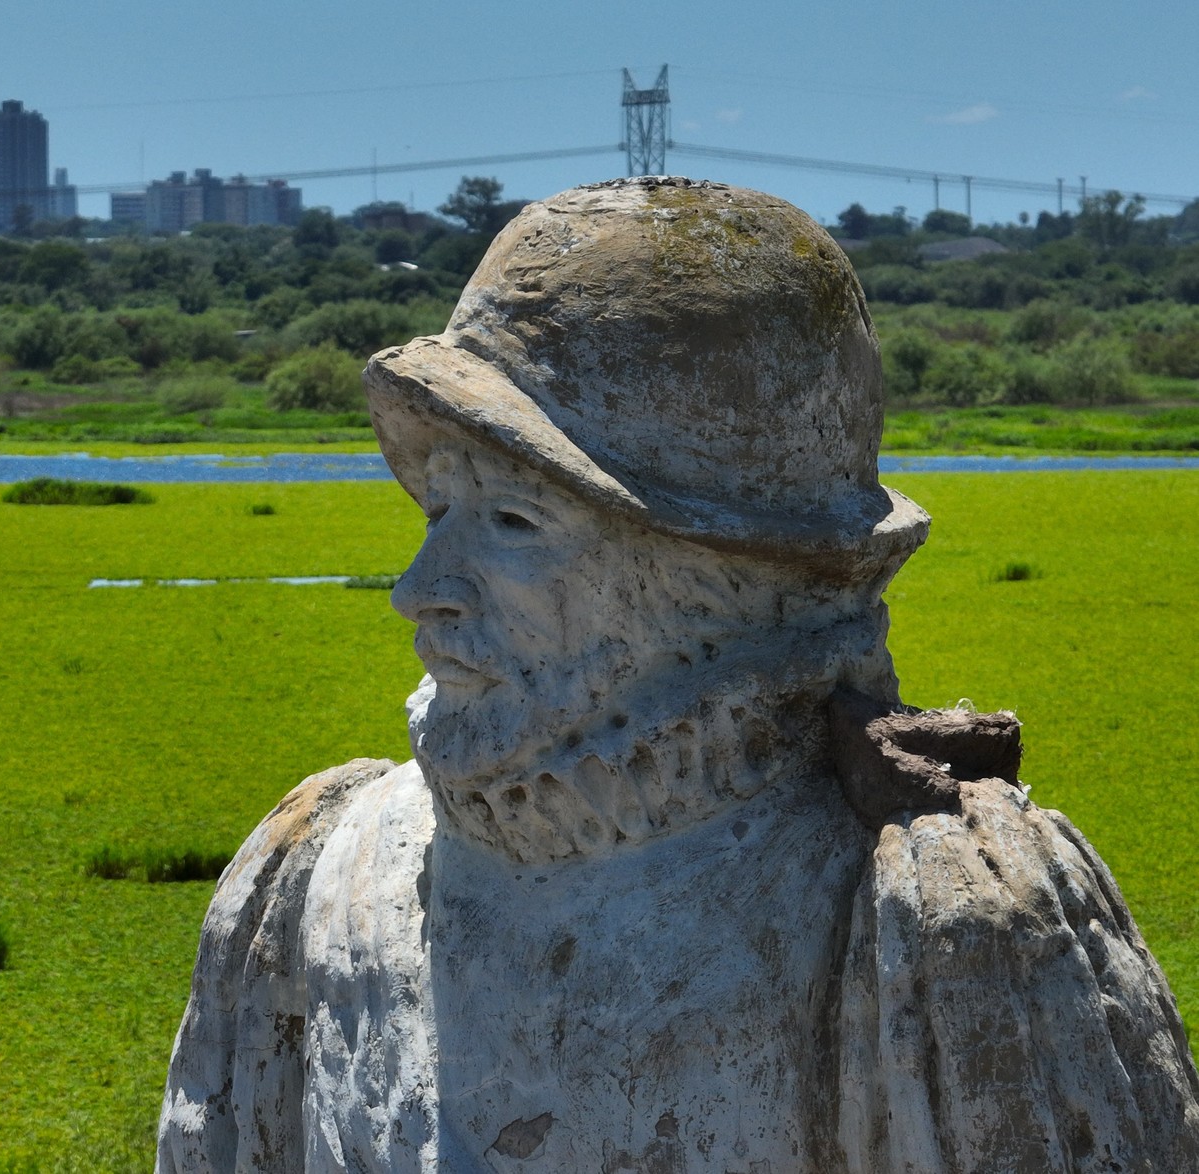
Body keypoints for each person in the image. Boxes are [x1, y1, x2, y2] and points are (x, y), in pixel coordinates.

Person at [157, 178, 1199, 1172]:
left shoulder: (932, 929)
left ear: (724, 580)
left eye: (514, 521)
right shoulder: (321, 881)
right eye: (438, 509)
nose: (419, 590)